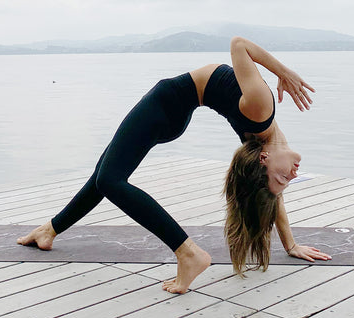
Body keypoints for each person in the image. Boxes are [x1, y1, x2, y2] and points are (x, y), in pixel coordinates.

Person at [17, 36, 331, 294]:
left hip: (165, 103)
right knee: (106, 174)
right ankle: (50, 229)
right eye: (286, 179)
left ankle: (187, 252)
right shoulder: (260, 137)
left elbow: (239, 44)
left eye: (282, 178)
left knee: (109, 179)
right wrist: (289, 243)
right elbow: (272, 193)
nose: (292, 175)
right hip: (174, 113)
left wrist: (283, 72)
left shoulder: (261, 112)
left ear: (264, 159)